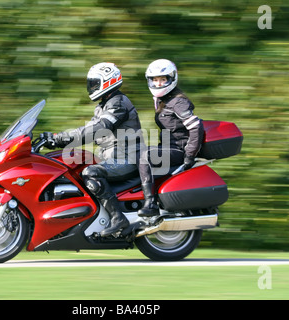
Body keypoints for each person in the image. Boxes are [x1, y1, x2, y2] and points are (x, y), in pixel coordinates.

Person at [48, 62, 144, 237]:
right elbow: (88, 129)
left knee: (90, 173)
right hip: (112, 157)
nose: (91, 87)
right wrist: (55, 139)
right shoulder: (103, 105)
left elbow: (100, 128)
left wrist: (62, 138)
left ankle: (118, 218)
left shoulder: (118, 103)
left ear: (108, 81)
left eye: (95, 83)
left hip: (128, 158)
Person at [137, 59, 204, 217]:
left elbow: (196, 127)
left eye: (163, 79)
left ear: (171, 79)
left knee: (143, 156)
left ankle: (150, 203)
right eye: (155, 80)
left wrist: (189, 155)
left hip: (179, 150)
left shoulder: (178, 102)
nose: (159, 84)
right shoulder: (162, 100)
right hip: (168, 147)